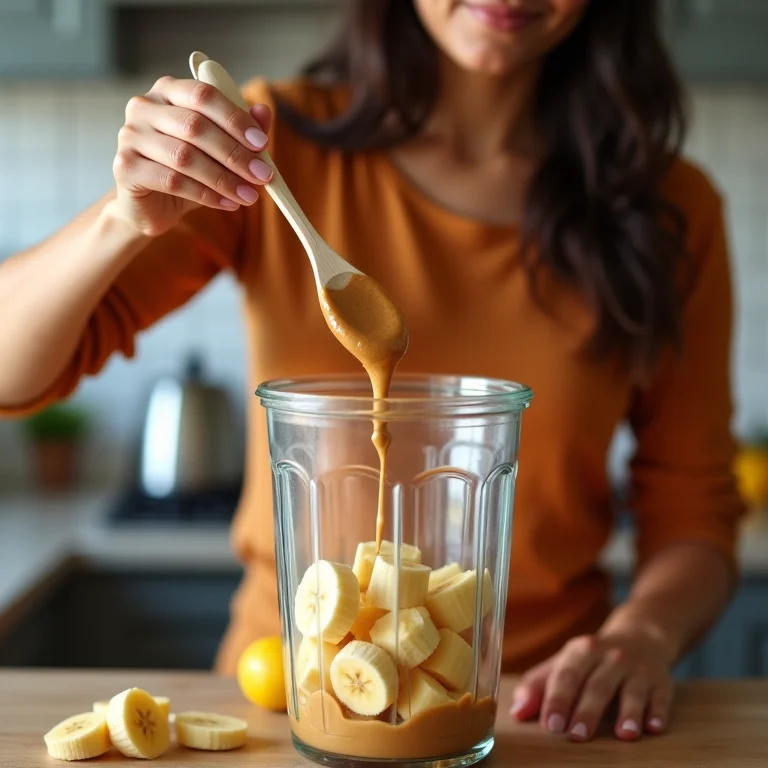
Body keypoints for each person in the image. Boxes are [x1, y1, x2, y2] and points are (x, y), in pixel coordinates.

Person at [0, 0, 744, 744]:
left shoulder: (668, 209)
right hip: (291, 703)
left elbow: (694, 507)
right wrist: (121, 219)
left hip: (538, 715)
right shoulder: (268, 151)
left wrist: (641, 635)